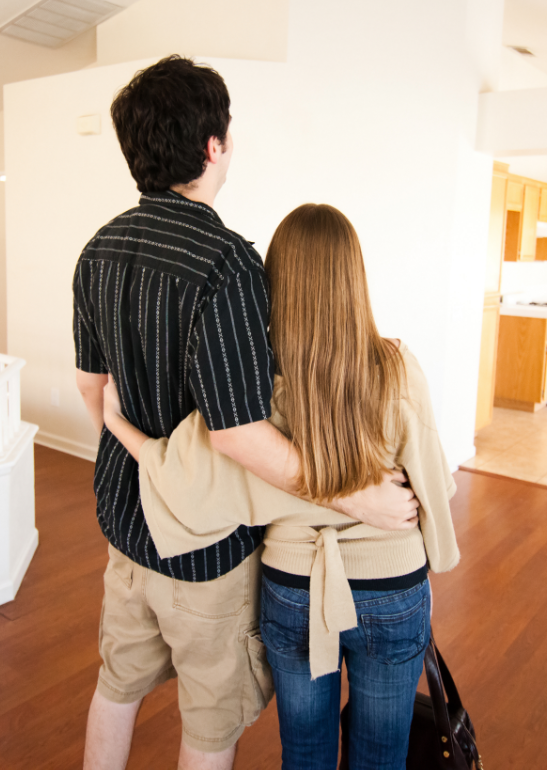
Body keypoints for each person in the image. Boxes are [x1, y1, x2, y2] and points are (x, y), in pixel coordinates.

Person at [72, 57, 419, 770]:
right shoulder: (226, 265)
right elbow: (237, 434)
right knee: (210, 720)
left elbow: (92, 389)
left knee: (116, 685)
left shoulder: (97, 251)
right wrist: (362, 497)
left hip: (123, 528)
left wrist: (128, 435)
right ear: (212, 147)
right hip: (202, 550)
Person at [101, 203, 461, 770]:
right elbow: (436, 487)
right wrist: (430, 539)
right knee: (381, 756)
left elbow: (180, 474)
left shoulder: (255, 388)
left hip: (292, 589)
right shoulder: (397, 368)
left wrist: (117, 422)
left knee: (306, 753)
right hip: (393, 590)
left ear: (276, 283)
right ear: (354, 278)